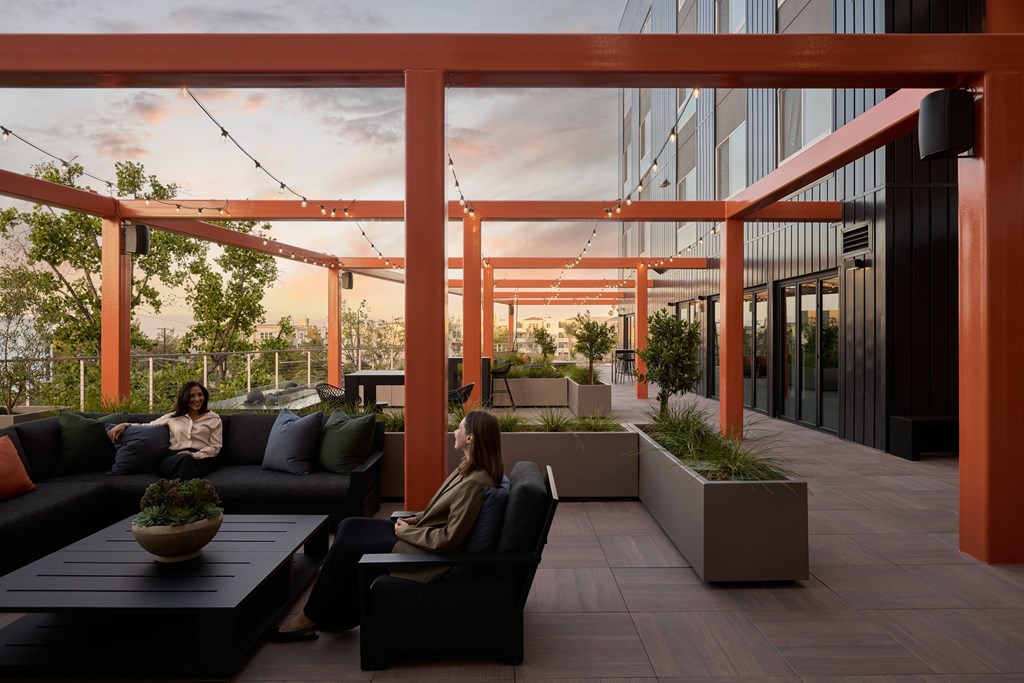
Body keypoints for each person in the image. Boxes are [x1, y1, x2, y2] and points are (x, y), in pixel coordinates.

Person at [270, 409, 504, 642]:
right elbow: (442, 512)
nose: (455, 431)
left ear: (471, 438)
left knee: (345, 549)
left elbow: (450, 538)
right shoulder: (467, 470)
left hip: (427, 552)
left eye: (460, 427)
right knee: (349, 525)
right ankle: (339, 615)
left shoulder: (475, 483)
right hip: (420, 533)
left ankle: (308, 618)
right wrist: (415, 519)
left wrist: (407, 531)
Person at [107, 381, 223, 479]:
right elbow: (149, 425)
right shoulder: (173, 417)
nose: (197, 399)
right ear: (184, 398)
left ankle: (175, 495)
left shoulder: (213, 419)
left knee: (186, 461)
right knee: (184, 465)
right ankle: (188, 495)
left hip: (200, 459)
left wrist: (194, 455)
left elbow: (215, 447)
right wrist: (126, 424)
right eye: (192, 396)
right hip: (173, 458)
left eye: (200, 395)